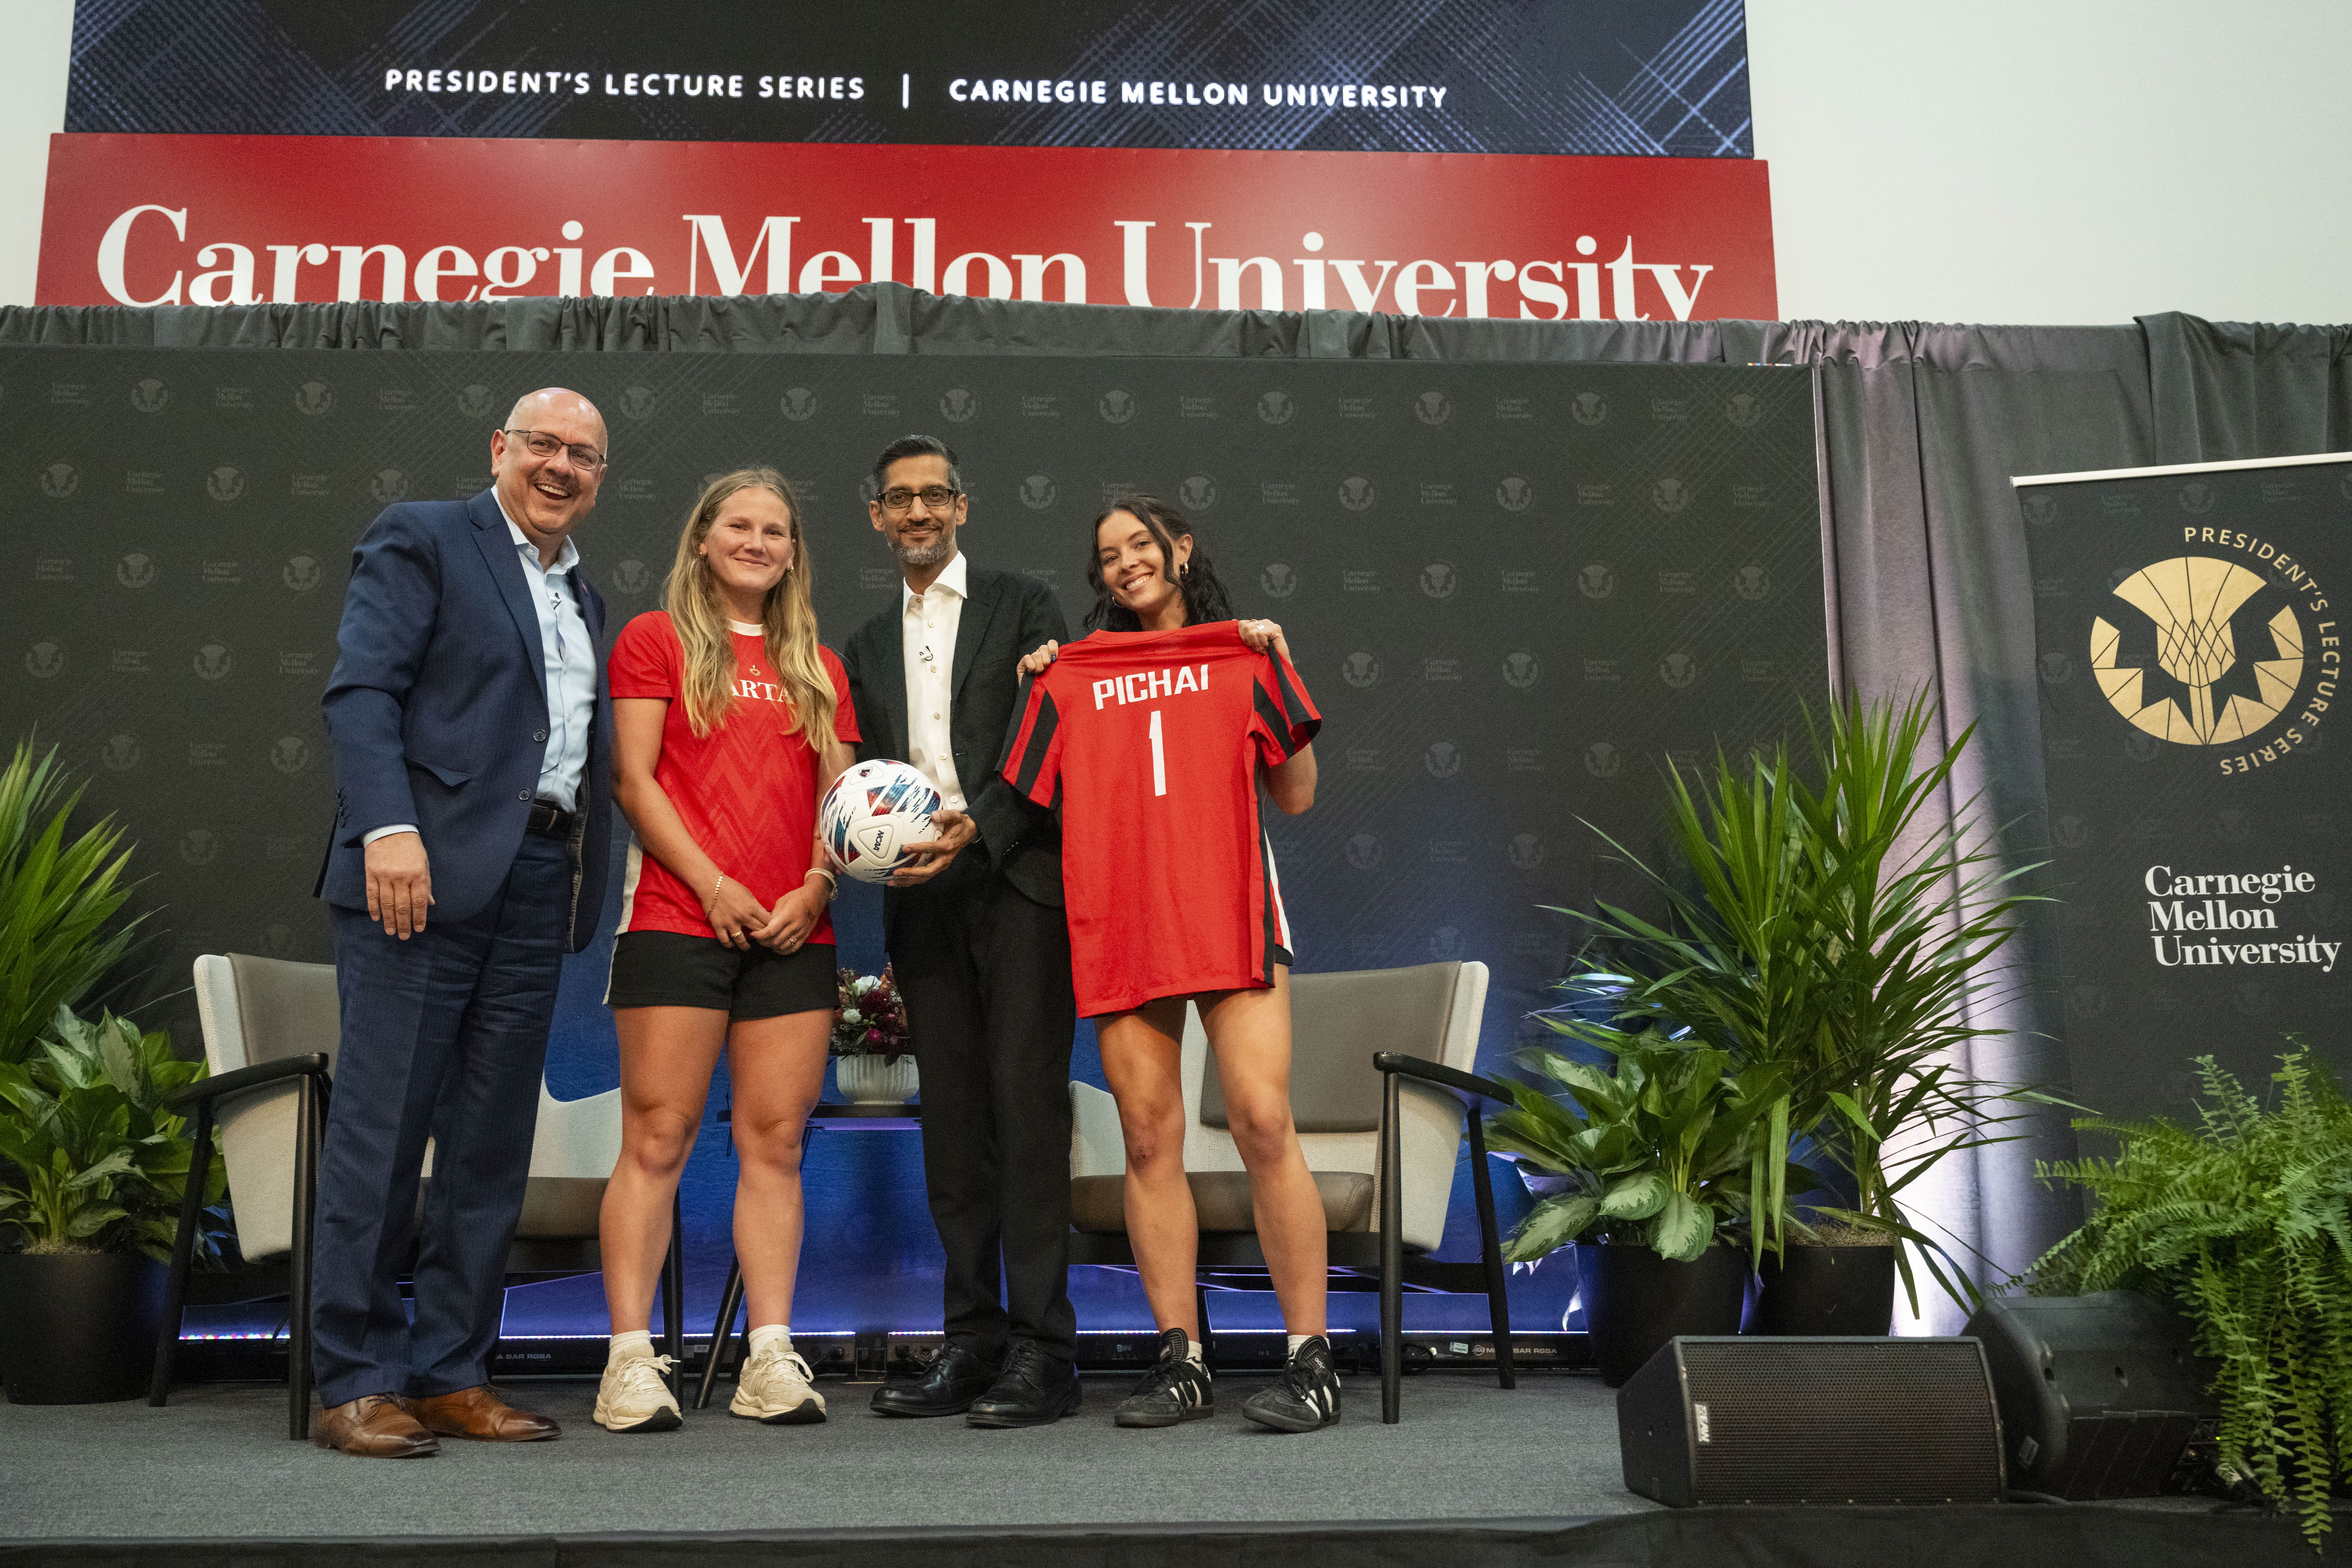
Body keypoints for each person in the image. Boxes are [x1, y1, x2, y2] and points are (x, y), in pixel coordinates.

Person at [311, 389, 614, 1457]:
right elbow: (361, 695)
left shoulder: (586, 594)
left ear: (600, 477)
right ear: (499, 448)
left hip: (538, 875)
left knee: (489, 1143)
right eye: (543, 444)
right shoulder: (426, 536)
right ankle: (353, 1377)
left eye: (583, 454)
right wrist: (387, 827)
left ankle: (450, 1371)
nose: (560, 466)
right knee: (383, 1133)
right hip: (419, 873)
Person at [1008, 495, 1337, 1433]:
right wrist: (1043, 674)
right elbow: (1029, 794)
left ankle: (1310, 1358)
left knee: (1263, 1119)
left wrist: (1279, 665)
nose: (1125, 564)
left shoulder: (1246, 654)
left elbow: (1297, 797)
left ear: (1180, 550)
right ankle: (1181, 1358)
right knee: (1148, 1139)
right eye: (1107, 555)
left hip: (1229, 909)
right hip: (1123, 920)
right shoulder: (1068, 677)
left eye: (1140, 545)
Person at [591, 469, 858, 1434]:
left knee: (777, 1143)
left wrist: (817, 885)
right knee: (657, 1137)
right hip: (677, 916)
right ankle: (628, 1362)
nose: (756, 541)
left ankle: (770, 1355)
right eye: (738, 525)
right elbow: (633, 780)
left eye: (774, 530)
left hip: (793, 929)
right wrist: (713, 885)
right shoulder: (653, 639)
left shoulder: (819, 666)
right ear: (702, 538)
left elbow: (843, 804)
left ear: (792, 553)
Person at [837, 434, 1082, 1427]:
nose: (918, 512)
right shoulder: (861, 644)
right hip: (920, 899)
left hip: (1018, 884)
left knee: (1026, 1114)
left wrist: (979, 823)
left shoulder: (1024, 606)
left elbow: (1052, 736)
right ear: (877, 516)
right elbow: (861, 778)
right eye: (899, 498)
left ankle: (1044, 1350)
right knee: (952, 1125)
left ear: (962, 506)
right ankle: (971, 1341)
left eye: (935, 495)